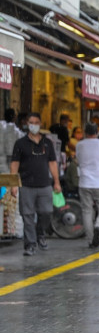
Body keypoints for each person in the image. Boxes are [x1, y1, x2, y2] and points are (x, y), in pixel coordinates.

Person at [9, 113, 61, 256]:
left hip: (44, 185)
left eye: (36, 122)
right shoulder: (20, 144)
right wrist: (13, 184)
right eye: (31, 122)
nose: (33, 125)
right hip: (26, 185)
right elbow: (14, 164)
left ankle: (40, 233)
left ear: (40, 124)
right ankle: (30, 244)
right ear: (27, 124)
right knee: (27, 215)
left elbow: (52, 163)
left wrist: (56, 182)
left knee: (46, 212)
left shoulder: (47, 143)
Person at [76, 123, 99, 248]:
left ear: (85, 132)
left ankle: (91, 240)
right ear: (97, 132)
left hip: (85, 182)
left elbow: (78, 160)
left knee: (87, 211)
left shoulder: (79, 145)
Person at [1, 108, 23, 173]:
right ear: (14, 117)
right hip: (8, 160)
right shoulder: (13, 130)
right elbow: (10, 150)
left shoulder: (2, 127)